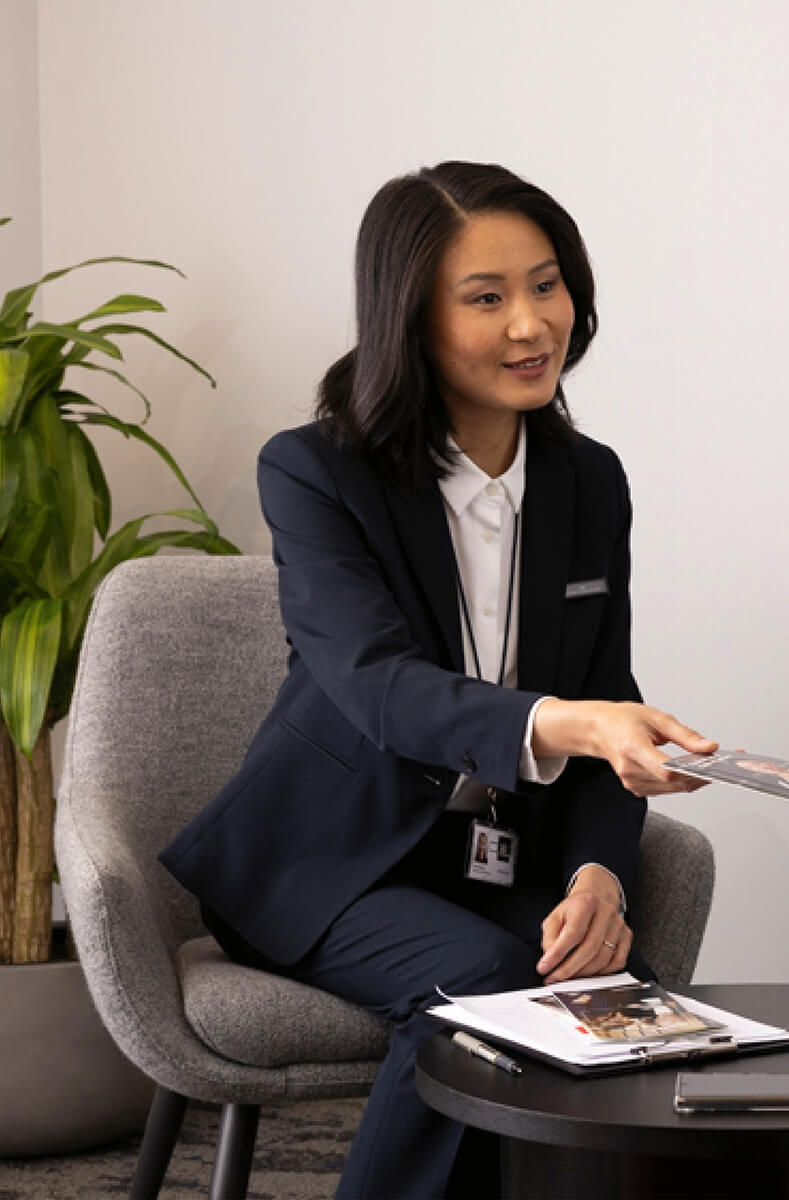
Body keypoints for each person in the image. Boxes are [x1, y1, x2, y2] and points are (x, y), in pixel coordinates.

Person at [160, 161, 718, 1199]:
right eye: (486, 298)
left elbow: (609, 688)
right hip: (325, 862)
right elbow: (377, 685)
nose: (530, 324)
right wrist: (571, 723)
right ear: (410, 318)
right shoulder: (315, 471)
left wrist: (599, 876)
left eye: (545, 286)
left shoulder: (589, 481)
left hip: (487, 868)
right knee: (488, 990)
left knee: (624, 1012)